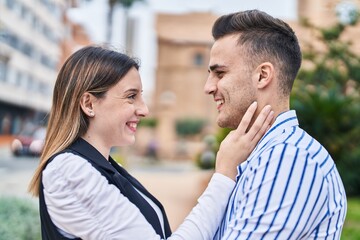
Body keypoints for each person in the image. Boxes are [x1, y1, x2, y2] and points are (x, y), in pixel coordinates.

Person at [28, 45, 274, 239]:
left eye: (141, 96)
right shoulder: (70, 172)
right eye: (131, 97)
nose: (144, 109)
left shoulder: (101, 166)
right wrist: (224, 174)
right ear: (89, 104)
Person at [204, 9, 347, 239]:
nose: (208, 87)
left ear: (262, 76)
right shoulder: (258, 156)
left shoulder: (288, 157)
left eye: (219, 73)